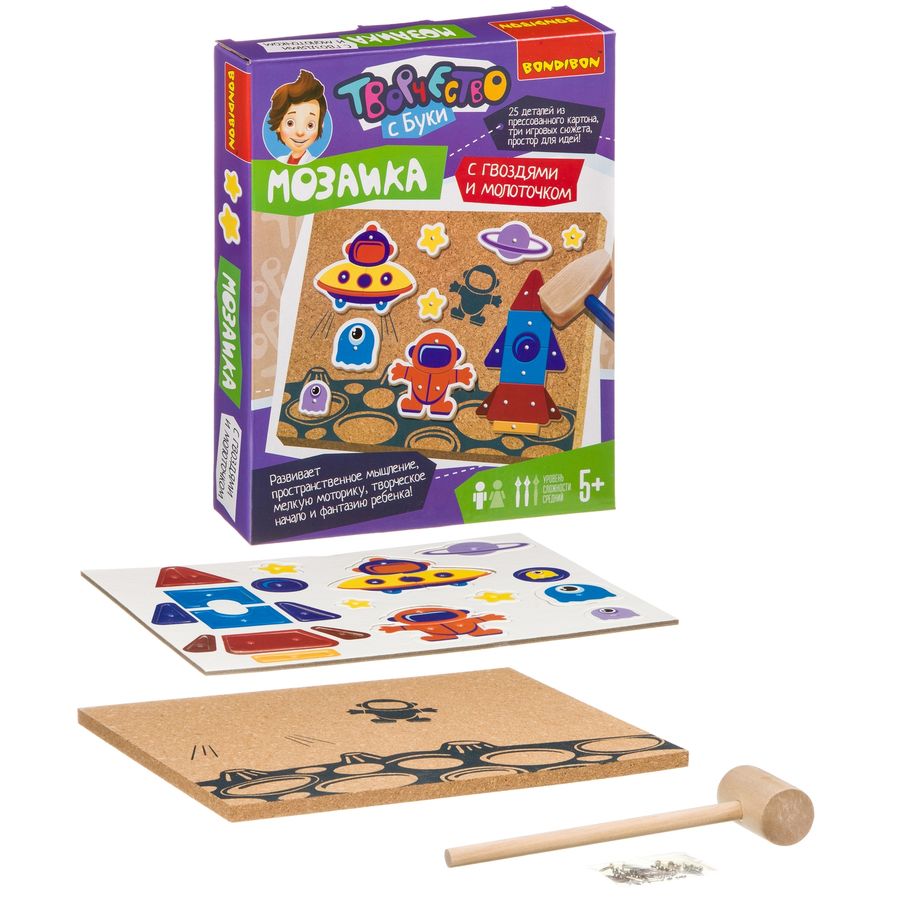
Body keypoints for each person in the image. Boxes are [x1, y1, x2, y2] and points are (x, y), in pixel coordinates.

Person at [267, 70, 327, 165]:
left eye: (310, 125)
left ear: (321, 124)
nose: (300, 132)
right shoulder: (280, 161)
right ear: (278, 124)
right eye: (290, 123)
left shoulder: (316, 163)